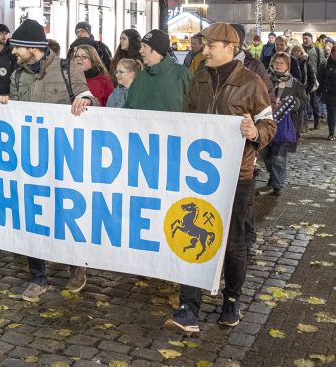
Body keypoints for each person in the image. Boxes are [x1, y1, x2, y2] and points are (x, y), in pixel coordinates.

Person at [165, 22, 276, 333]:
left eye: (210, 46)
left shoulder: (252, 83)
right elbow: (187, 118)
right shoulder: (198, 77)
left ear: (230, 47)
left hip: (237, 176)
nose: (205, 50)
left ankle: (231, 299)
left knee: (234, 243)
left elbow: (269, 124)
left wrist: (255, 132)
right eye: (204, 45)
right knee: (190, 237)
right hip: (199, 177)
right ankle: (188, 307)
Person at [0, 19, 97, 302]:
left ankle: (75, 267)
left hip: (64, 159)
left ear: (32, 47)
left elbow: (89, 98)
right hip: (31, 160)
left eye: (17, 47)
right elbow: (13, 112)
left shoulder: (67, 69)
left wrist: (87, 101)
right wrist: (4, 104)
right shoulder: (18, 76)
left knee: (65, 215)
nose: (13, 52)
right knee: (32, 217)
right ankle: (37, 277)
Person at [257, 52, 307, 197]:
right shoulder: (264, 80)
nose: (278, 65)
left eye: (282, 63)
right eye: (276, 62)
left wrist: (293, 103)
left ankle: (277, 185)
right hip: (265, 124)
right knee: (264, 153)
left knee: (279, 157)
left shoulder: (295, 83)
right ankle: (274, 178)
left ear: (287, 66)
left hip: (284, 126)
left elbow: (304, 102)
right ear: (271, 63)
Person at [124, 29, 190, 112]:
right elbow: (128, 108)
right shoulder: (140, 77)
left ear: (156, 50)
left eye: (144, 46)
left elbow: (193, 106)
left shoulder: (181, 73)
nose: (140, 50)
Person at [302, 32, 326, 130]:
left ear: (311, 39)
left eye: (306, 38)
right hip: (303, 80)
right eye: (303, 38)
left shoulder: (317, 50)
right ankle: (305, 124)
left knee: (314, 102)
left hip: (313, 80)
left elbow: (322, 64)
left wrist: (320, 80)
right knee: (304, 102)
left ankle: (317, 121)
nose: (304, 40)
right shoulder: (301, 49)